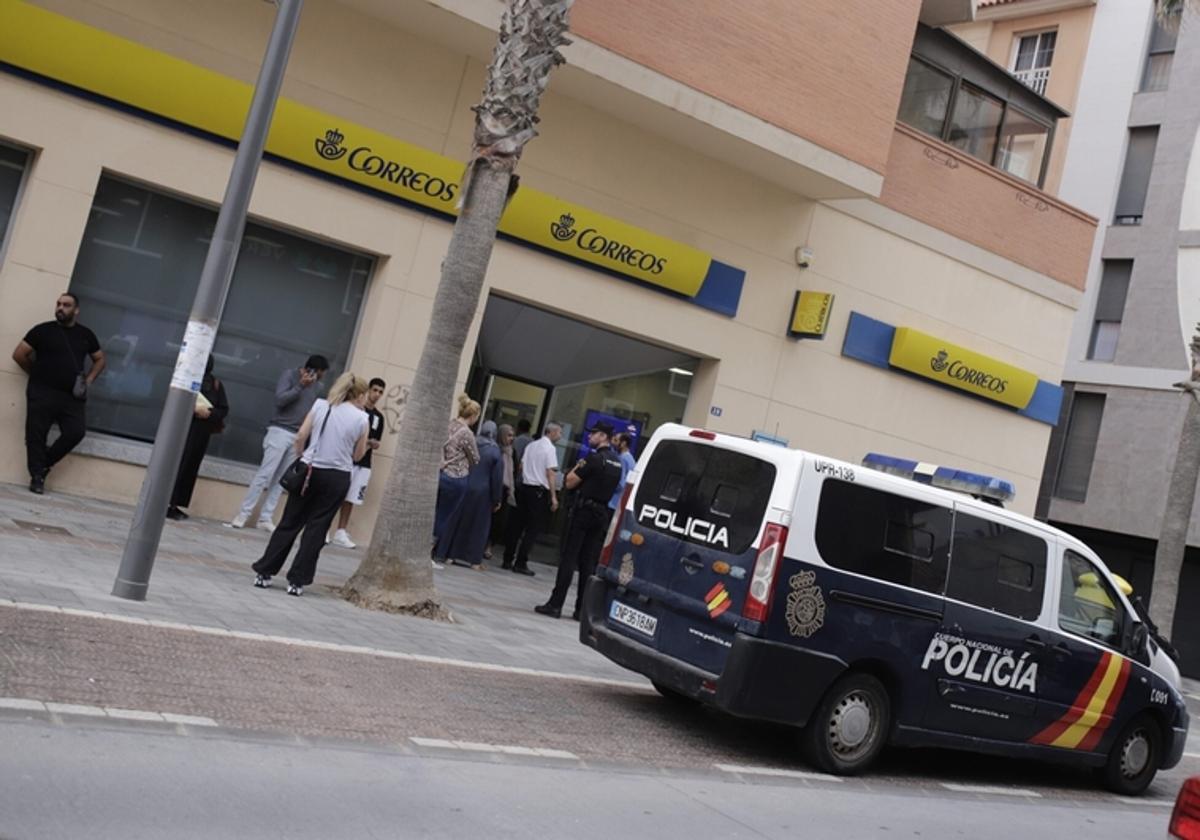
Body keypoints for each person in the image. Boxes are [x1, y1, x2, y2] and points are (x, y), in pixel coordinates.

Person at [251, 372, 369, 596]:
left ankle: (264, 571)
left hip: (309, 470)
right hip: (337, 476)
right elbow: (358, 455)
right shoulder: (361, 419)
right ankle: (297, 580)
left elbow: (301, 436)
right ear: (360, 395)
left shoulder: (321, 405)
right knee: (317, 529)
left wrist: (303, 456)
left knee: (289, 522)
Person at [12, 292, 106, 494]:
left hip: (71, 396)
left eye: (66, 305)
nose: (60, 308)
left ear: (76, 310)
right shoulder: (42, 331)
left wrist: (88, 380)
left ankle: (44, 463)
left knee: (76, 431)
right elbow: (19, 354)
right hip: (42, 392)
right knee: (36, 435)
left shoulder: (85, 335)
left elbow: (100, 359)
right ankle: (37, 477)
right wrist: (35, 372)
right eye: (58, 304)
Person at [228, 354, 329, 532]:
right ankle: (243, 514)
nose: (319, 378)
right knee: (265, 474)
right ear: (309, 369)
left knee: (282, 479)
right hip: (280, 430)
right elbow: (280, 400)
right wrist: (300, 386)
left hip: (298, 435)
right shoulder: (289, 376)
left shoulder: (318, 387)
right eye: (319, 373)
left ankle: (265, 518)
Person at [536, 421, 623, 619]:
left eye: (593, 434)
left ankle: (555, 604)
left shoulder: (593, 459)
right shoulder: (616, 462)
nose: (589, 437)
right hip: (601, 514)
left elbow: (570, 481)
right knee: (588, 563)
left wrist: (575, 469)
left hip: (583, 512)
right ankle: (581, 609)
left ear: (603, 436)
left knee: (569, 557)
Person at [435, 420, 504, 570]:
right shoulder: (495, 451)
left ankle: (449, 555)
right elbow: (497, 478)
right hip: (483, 494)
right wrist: (497, 498)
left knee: (457, 521)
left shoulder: (473, 442)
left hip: (465, 484)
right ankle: (474, 560)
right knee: (478, 526)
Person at [166, 356, 229, 520]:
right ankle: (166, 502)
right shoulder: (186, 379)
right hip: (182, 431)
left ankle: (176, 503)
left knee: (189, 468)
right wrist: (193, 409)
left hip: (201, 434)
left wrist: (209, 413)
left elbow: (223, 409)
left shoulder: (216, 385)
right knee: (175, 465)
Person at [329, 377, 385, 548]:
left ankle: (341, 531)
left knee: (352, 498)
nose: (377, 395)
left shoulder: (379, 417)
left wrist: (372, 443)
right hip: (348, 459)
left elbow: (376, 440)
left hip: (364, 463)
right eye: (374, 390)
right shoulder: (356, 411)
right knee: (336, 494)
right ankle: (325, 527)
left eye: (380, 392)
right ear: (367, 390)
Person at [503, 421, 563, 577]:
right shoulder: (550, 449)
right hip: (538, 491)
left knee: (516, 526)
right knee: (532, 529)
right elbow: (550, 473)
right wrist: (553, 496)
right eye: (559, 433)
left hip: (524, 487)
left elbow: (521, 467)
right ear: (552, 432)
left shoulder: (532, 445)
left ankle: (507, 559)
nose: (560, 436)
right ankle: (521, 562)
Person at [432, 393, 481, 569]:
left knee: (432, 512)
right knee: (443, 516)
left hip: (439, 473)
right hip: (456, 477)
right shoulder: (467, 433)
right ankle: (429, 552)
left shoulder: (448, 424)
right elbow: (475, 458)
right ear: (473, 416)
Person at [487, 423, 516, 560]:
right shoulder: (495, 449)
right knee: (491, 519)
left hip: (505, 490)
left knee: (500, 522)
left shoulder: (511, 452)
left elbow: (512, 472)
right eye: (509, 435)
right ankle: (484, 545)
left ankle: (490, 546)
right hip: (494, 487)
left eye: (512, 436)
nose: (511, 438)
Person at [609, 431, 637, 512]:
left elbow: (620, 483)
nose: (613, 443)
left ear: (623, 443)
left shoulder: (622, 459)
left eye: (616, 440)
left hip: (613, 503)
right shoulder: (630, 459)